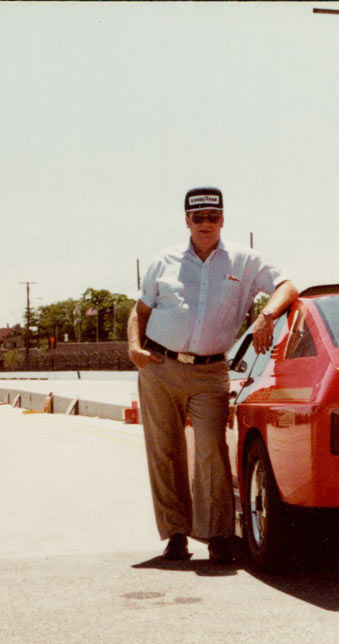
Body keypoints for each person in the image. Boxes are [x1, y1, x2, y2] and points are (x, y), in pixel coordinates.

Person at [127, 187, 298, 565]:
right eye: (198, 218)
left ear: (223, 219)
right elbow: (139, 311)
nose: (206, 224)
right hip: (160, 366)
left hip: (210, 371)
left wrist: (266, 316)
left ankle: (218, 535)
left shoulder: (244, 260)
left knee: (211, 452)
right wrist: (135, 349)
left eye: (213, 217)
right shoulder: (164, 261)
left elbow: (287, 286)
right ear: (186, 220)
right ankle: (174, 535)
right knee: (164, 453)